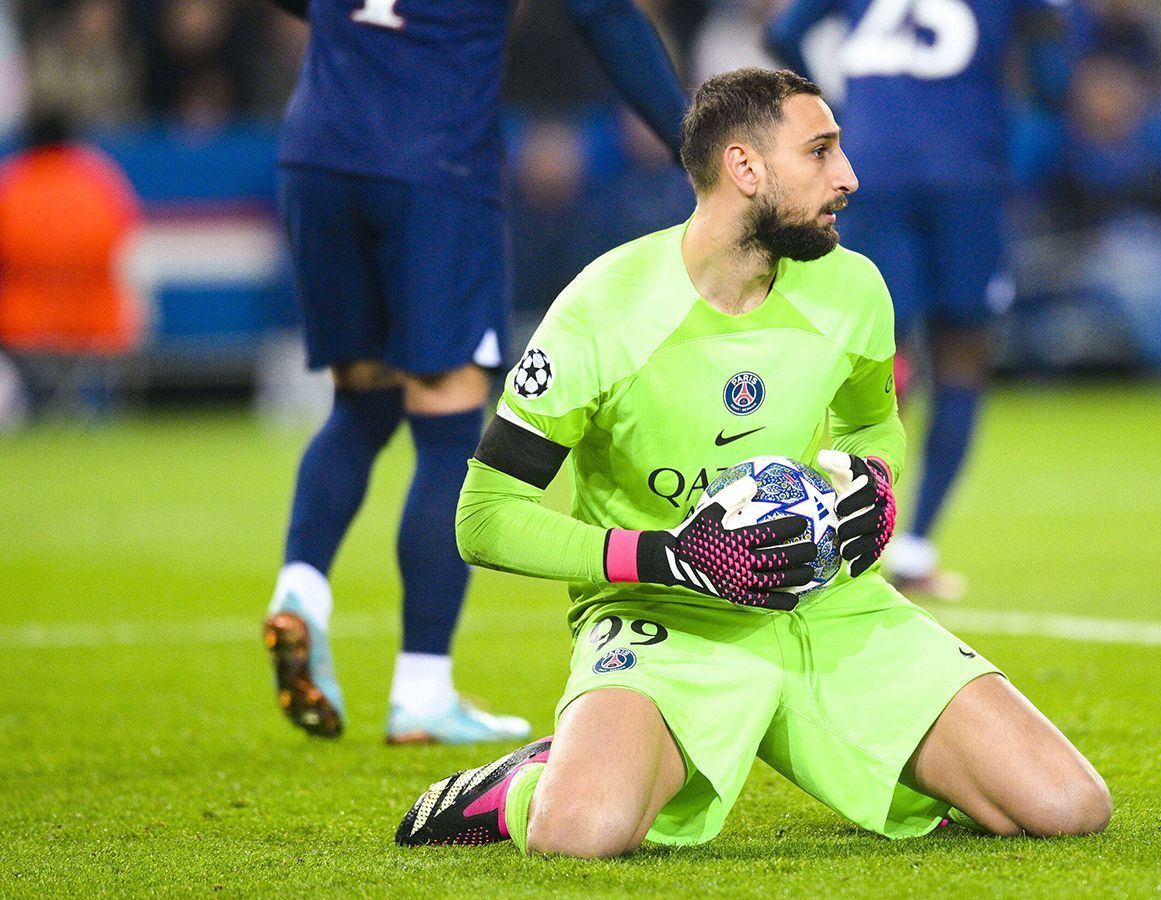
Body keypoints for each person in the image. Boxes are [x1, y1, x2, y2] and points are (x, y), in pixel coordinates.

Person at [392, 68, 1110, 857]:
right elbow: (483, 519)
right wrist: (668, 558)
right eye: (822, 151)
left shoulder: (853, 288)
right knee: (581, 833)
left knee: (1069, 804)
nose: (850, 177)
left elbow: (873, 422)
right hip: (668, 617)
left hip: (824, 604)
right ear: (745, 168)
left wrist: (873, 480)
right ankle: (523, 785)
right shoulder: (604, 310)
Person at [259, 0, 689, 744]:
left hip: (316, 154)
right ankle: (421, 691)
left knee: (359, 405)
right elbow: (605, 16)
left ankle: (301, 589)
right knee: (446, 421)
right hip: (432, 163)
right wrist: (696, 146)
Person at [765, 0, 1069, 601]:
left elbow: (783, 33)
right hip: (965, 175)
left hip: (874, 170)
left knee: (876, 354)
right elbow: (1053, 83)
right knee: (960, 352)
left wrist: (837, 115)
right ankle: (914, 543)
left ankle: (829, 535)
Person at [0, 107, 142, 422]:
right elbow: (123, 246)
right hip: (97, 320)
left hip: (25, 322)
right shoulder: (99, 180)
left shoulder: (12, 183)